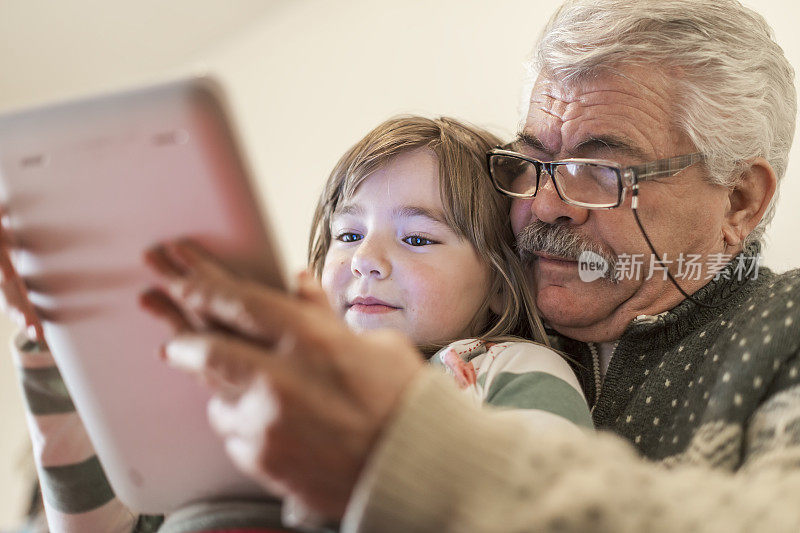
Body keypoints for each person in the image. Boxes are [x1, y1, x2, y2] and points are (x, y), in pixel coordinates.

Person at [143, 0, 800, 531]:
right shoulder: (476, 317)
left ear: (739, 198)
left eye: (599, 171)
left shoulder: (785, 324)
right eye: (533, 159)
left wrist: (403, 450)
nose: (543, 204)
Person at [4, 116, 590, 531]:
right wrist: (56, 353)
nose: (366, 258)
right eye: (348, 234)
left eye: (417, 237)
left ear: (496, 282)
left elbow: (551, 510)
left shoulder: (505, 364)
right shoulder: (253, 378)